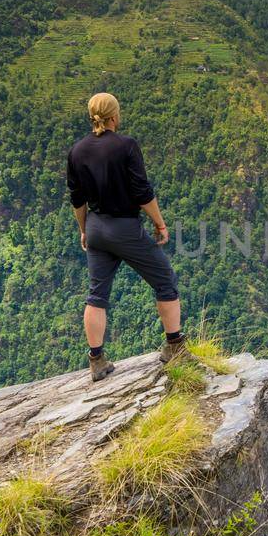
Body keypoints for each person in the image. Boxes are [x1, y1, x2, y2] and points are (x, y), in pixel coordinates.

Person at [66, 92, 184, 381]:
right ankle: (175, 347)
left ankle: (96, 360)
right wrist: (160, 223)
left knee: (97, 294)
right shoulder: (126, 146)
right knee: (165, 280)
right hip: (125, 228)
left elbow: (77, 200)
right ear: (115, 117)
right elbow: (142, 192)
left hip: (96, 227)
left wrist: (84, 230)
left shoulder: (77, 151)